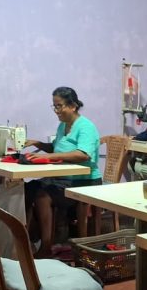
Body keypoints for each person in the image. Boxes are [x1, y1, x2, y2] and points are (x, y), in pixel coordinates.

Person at [23, 87, 102, 256]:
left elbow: (83, 154)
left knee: (42, 195)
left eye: (59, 106)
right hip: (62, 178)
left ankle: (46, 246)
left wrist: (49, 156)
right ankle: (26, 241)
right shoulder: (63, 125)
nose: (56, 110)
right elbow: (56, 148)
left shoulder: (86, 127)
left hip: (85, 181)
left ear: (73, 106)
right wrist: (37, 144)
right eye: (54, 106)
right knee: (26, 190)